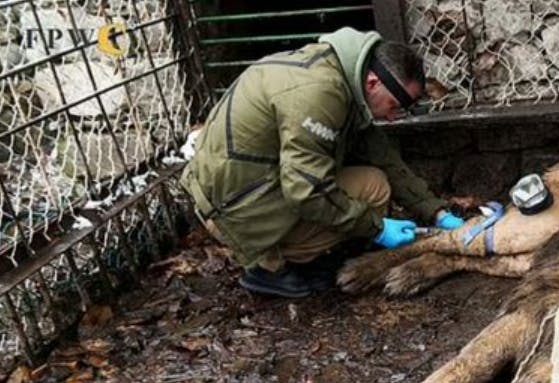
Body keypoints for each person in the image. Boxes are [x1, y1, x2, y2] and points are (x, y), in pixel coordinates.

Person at [180, 27, 465, 298]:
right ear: (373, 83)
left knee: (373, 179)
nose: (394, 117)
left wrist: (435, 212)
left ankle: (309, 249)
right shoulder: (321, 95)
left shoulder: (341, 75)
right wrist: (376, 228)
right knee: (373, 189)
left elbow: (383, 157)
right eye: (396, 106)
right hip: (231, 211)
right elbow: (306, 191)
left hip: (241, 189)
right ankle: (270, 267)